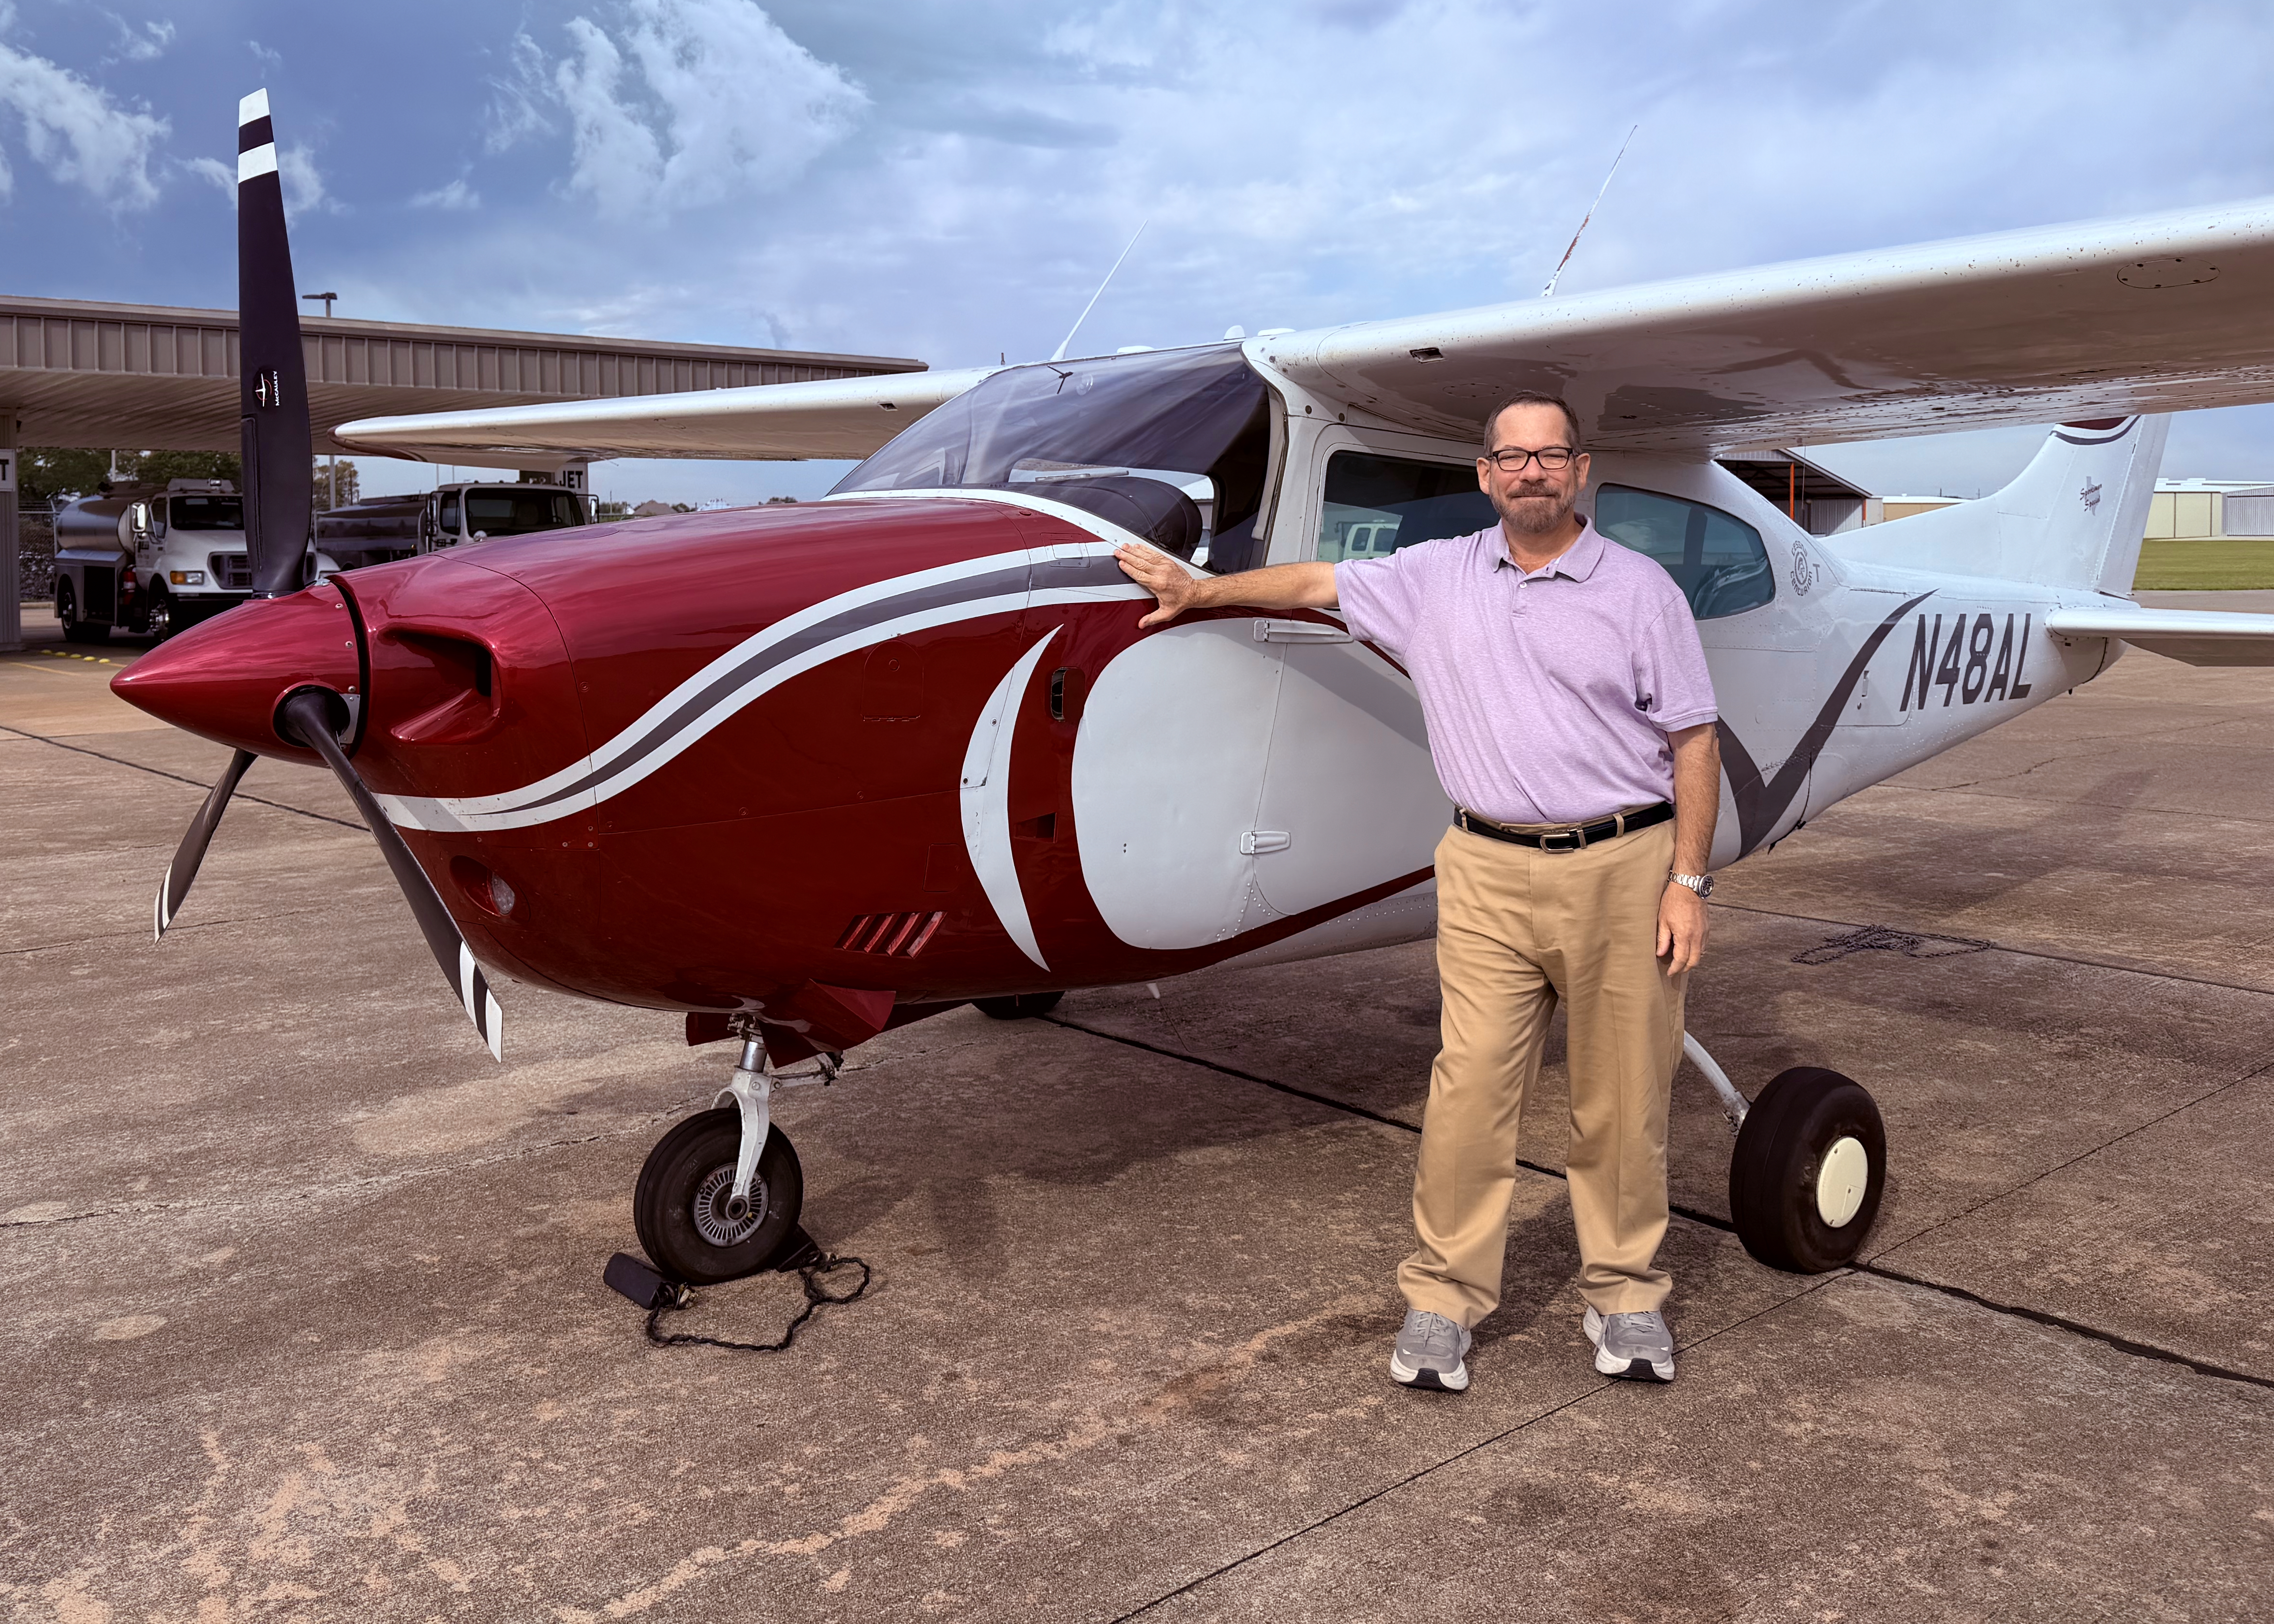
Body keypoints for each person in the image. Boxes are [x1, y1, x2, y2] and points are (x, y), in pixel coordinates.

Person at [1114, 392, 1720, 1391]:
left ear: (1579, 470)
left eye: (1549, 455)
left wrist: (1686, 881)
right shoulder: (1434, 574)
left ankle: (1624, 1296)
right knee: (1468, 1091)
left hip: (1621, 864)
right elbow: (1314, 578)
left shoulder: (1639, 589)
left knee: (1622, 1100)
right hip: (1483, 865)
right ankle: (1443, 1298)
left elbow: (1692, 740)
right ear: (1484, 474)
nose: (1530, 471)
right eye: (1510, 456)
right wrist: (1201, 589)